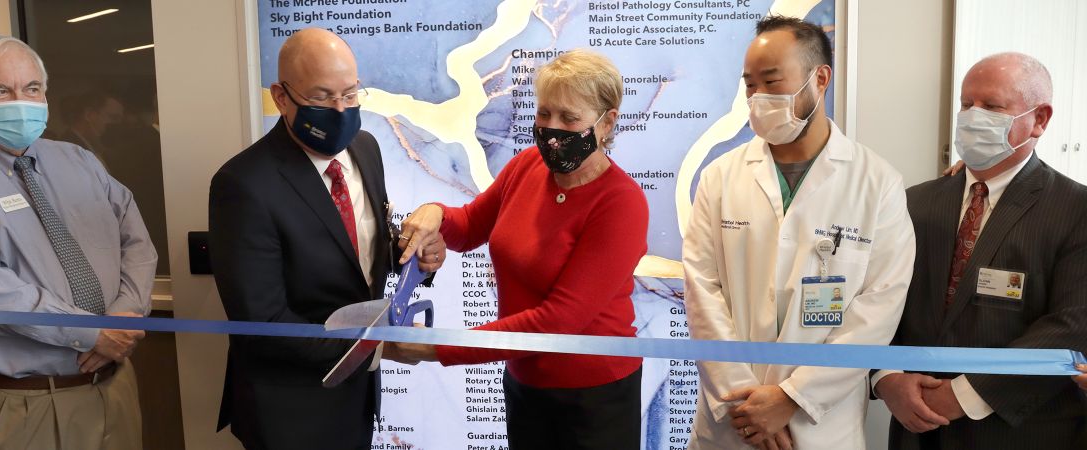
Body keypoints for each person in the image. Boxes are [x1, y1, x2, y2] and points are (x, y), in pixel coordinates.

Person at [385, 49, 648, 450]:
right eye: (544, 114)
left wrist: (436, 346)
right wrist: (435, 213)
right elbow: (471, 225)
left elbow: (557, 321)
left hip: (594, 398)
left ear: (606, 122)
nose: (552, 129)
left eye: (569, 118)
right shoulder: (527, 166)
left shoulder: (621, 203)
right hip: (525, 381)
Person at [683, 16, 914, 450]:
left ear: (820, 78)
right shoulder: (720, 178)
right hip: (731, 421)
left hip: (820, 425)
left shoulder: (877, 184)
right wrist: (746, 404)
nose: (757, 97)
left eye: (771, 81)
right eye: (749, 84)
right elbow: (701, 291)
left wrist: (791, 399)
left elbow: (878, 308)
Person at [208, 28, 445, 450]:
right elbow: (262, 323)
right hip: (289, 409)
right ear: (281, 97)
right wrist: (375, 349)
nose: (341, 111)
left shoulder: (366, 149)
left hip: (355, 397)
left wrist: (414, 257)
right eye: (321, 98)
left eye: (351, 95)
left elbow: (356, 251)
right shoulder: (243, 185)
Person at [874, 52, 1087, 449]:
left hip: (1022, 432)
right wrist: (886, 379)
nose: (972, 116)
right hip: (916, 430)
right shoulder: (912, 203)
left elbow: (1071, 326)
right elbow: (877, 301)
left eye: (991, 106)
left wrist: (966, 394)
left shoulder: (1075, 210)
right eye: (966, 104)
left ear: (1039, 120)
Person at [0, 34, 158, 449]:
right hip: (25, 405)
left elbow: (137, 243)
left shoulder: (78, 160)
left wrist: (124, 317)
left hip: (114, 386)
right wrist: (91, 334)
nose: (21, 100)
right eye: (0, 90)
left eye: (32, 88)